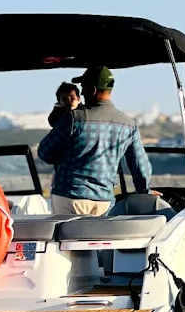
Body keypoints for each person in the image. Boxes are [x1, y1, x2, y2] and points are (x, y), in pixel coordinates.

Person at [38, 66, 154, 216]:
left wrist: (63, 157)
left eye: (83, 88)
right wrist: (145, 192)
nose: (82, 93)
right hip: (104, 200)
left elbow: (44, 152)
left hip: (69, 195)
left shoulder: (74, 118)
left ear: (92, 90)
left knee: (67, 232)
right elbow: (140, 166)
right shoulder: (129, 124)